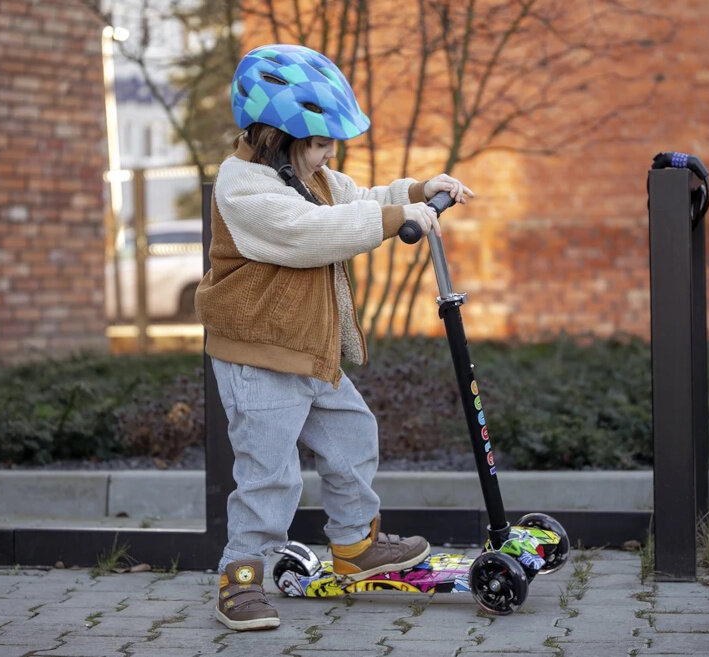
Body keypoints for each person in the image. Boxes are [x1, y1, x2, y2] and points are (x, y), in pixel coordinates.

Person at [195, 43, 474, 631]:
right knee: (270, 473)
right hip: (260, 357)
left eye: (329, 146)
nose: (326, 156)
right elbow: (309, 233)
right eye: (317, 143)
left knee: (352, 435)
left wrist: (418, 193)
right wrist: (392, 222)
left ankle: (354, 545)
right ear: (272, 137)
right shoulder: (243, 189)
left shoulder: (312, 176)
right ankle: (239, 576)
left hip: (311, 352)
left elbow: (360, 200)